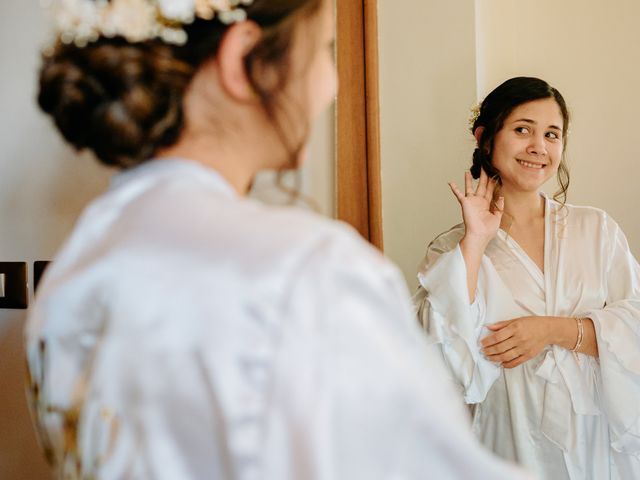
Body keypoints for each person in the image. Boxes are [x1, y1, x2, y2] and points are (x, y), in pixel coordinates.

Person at [24, 1, 526, 479]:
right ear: (244, 59)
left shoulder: (79, 259)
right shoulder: (302, 272)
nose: (331, 86)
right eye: (324, 51)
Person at [414, 76, 640, 479]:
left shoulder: (596, 230)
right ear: (485, 138)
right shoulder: (451, 249)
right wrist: (476, 242)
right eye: (523, 130)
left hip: (594, 442)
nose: (539, 147)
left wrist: (556, 331)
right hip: (506, 441)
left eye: (552, 135)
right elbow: (439, 355)